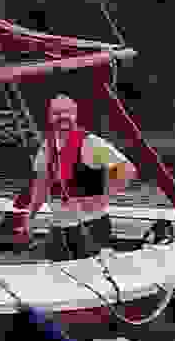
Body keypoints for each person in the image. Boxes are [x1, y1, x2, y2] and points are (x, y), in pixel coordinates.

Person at [10, 90, 135, 248]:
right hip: (59, 227)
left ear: (75, 114)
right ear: (49, 117)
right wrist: (30, 218)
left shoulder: (91, 143)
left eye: (67, 112)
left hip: (91, 225)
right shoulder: (47, 146)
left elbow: (128, 170)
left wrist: (104, 197)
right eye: (57, 113)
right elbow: (41, 184)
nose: (62, 116)